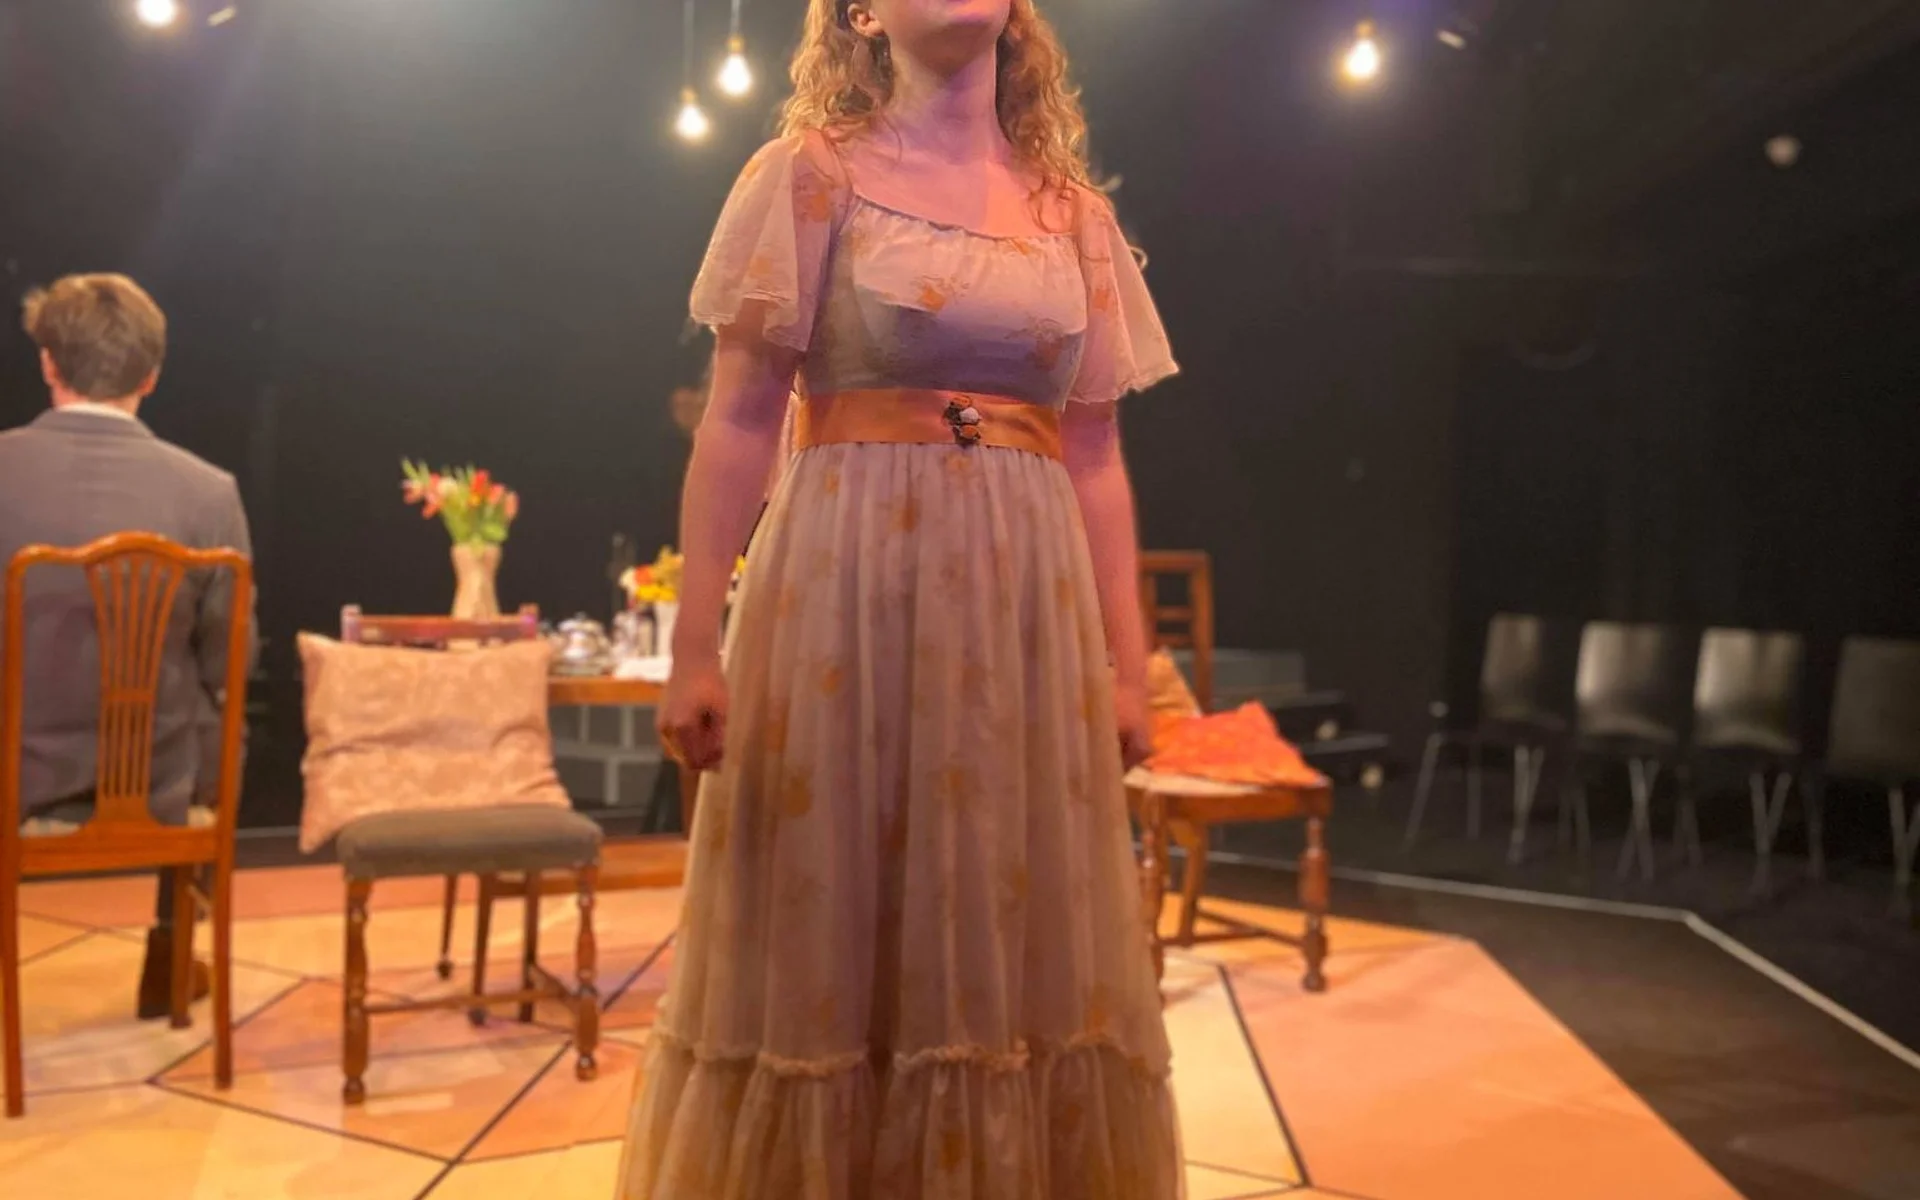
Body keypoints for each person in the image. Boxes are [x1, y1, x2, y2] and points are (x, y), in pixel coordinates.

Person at [618, 0, 1181, 1194]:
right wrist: (695, 646)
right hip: (845, 595)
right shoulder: (809, 176)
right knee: (830, 914)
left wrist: (1130, 673)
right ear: (860, 13)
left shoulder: (1074, 217)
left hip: (1021, 615)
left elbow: (1097, 458)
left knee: (1009, 914)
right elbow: (738, 422)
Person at [0, 273, 256, 1019]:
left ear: (48, 362)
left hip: (16, 773)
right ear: (151, 375)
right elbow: (232, 659)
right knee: (223, 714)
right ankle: (172, 953)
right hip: (157, 782)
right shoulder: (209, 492)